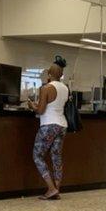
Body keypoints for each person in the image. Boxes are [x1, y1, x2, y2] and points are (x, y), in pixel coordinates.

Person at [27, 56, 68, 200]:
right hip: (62, 125)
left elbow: (41, 111)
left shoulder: (46, 88)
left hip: (49, 125)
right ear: (61, 74)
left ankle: (51, 188)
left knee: (37, 155)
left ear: (49, 74)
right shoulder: (65, 88)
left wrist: (32, 106)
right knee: (56, 157)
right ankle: (57, 189)